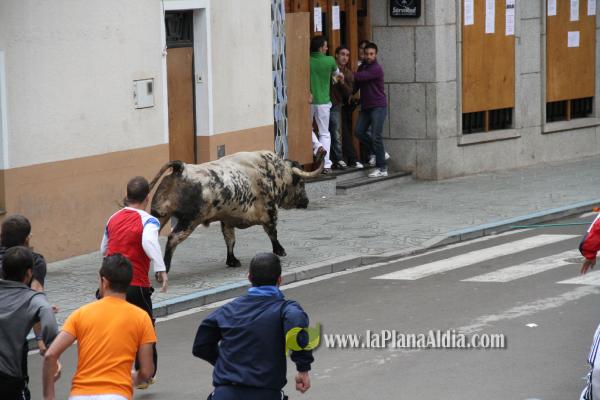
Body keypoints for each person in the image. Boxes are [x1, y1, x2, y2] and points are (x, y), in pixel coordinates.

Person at [193, 252, 314, 400]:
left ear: (249, 277)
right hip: (266, 393)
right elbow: (296, 324)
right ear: (279, 280)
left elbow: (201, 346)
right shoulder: (285, 309)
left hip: (224, 393)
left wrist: (225, 364)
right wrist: (303, 368)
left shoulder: (227, 311)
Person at [43, 254, 156, 400]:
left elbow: (50, 355)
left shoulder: (80, 314)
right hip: (117, 395)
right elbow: (147, 371)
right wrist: (132, 378)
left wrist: (49, 396)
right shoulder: (141, 317)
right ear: (128, 283)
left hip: (80, 395)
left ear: (104, 282)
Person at [100, 176, 167, 388]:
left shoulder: (113, 218)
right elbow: (148, 241)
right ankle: (145, 373)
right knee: (145, 327)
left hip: (110, 285)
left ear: (126, 195)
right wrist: (161, 268)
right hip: (135, 284)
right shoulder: (149, 221)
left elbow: (103, 248)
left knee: (111, 328)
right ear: (147, 198)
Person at [0, 246, 58, 399]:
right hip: (8, 378)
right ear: (29, 273)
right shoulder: (33, 299)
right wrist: (52, 354)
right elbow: (49, 322)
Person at [353, 42, 389, 177]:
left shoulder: (376, 69)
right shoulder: (362, 67)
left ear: (375, 54)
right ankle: (380, 152)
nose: (368, 56)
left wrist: (345, 73)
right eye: (367, 54)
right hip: (366, 107)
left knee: (376, 136)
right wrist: (351, 93)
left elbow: (361, 77)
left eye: (371, 54)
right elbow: (358, 83)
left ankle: (382, 168)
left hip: (378, 107)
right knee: (359, 131)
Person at [310, 35, 343, 173]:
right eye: (325, 46)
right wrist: (333, 79)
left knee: (306, 128)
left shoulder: (307, 60)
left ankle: (317, 147)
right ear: (320, 48)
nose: (327, 48)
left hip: (308, 100)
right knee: (324, 132)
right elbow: (338, 74)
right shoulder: (330, 60)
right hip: (324, 101)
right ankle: (327, 165)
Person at [329, 45, 362, 169]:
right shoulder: (330, 68)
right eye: (342, 54)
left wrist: (342, 82)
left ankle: (338, 159)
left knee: (336, 133)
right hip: (323, 103)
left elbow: (349, 92)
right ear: (336, 55)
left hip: (337, 106)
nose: (345, 57)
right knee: (326, 133)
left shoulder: (348, 73)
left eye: (347, 55)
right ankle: (330, 161)